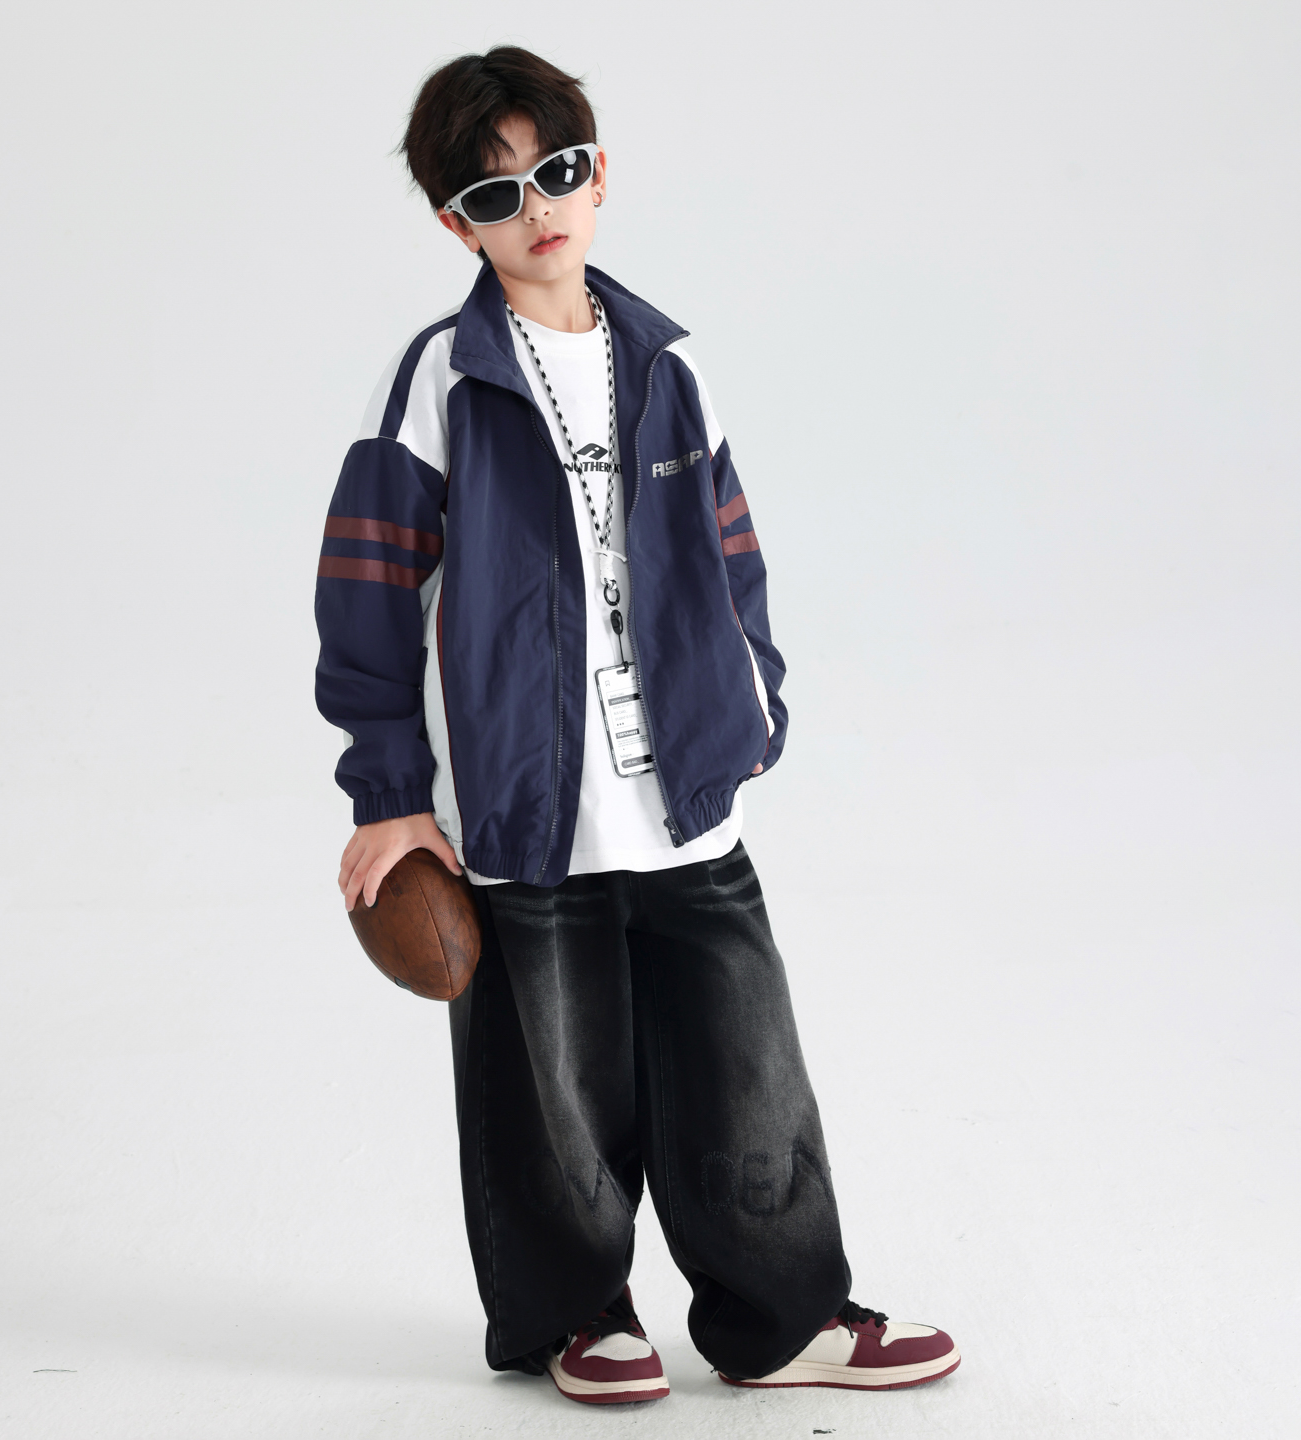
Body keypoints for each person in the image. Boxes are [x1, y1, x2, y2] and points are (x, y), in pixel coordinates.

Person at [314, 45, 959, 1406]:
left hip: (684, 791)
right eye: (495, 193)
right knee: (547, 1087)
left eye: (555, 172)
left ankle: (783, 1318)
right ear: (458, 225)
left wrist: (752, 694)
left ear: (598, 176)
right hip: (520, 803)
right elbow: (369, 589)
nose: (536, 208)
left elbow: (731, 550)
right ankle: (576, 1317)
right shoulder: (439, 381)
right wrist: (389, 793)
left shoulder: (669, 362)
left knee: (745, 1064)